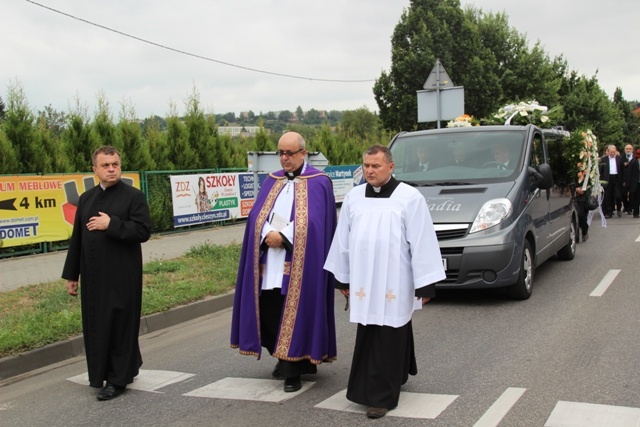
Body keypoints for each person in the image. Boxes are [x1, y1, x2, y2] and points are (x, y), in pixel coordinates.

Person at [323, 144, 446, 419]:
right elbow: (343, 240)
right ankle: (389, 376)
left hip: (396, 278)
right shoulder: (354, 197)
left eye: (376, 166)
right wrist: (342, 277)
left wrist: (425, 284)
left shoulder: (409, 198)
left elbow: (423, 241)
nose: (370, 171)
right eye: (366, 166)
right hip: (365, 279)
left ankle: (380, 397)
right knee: (370, 331)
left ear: (390, 167)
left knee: (391, 329)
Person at [230, 131, 337, 393]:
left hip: (302, 263)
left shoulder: (320, 182)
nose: (284, 158)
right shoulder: (271, 180)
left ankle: (293, 372)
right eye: (280, 153)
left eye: (289, 153)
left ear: (303, 153)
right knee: (270, 311)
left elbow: (317, 223)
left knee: (299, 312)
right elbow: (257, 215)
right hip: (270, 264)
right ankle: (282, 356)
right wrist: (266, 233)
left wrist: (286, 235)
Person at [62, 146, 152, 401]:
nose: (112, 169)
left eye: (115, 164)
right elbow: (77, 239)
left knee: (120, 325)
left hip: (123, 274)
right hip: (93, 278)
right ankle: (109, 371)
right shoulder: (87, 198)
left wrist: (111, 224)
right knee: (98, 326)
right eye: (106, 165)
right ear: (95, 170)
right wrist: (72, 276)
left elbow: (143, 231)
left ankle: (117, 379)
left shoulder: (134, 196)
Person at [599, 145, 625, 218]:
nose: (612, 153)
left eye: (614, 152)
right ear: (608, 152)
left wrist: (623, 180)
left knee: (618, 196)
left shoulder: (620, 159)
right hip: (608, 179)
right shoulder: (604, 159)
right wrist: (601, 180)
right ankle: (609, 212)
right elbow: (601, 171)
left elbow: (623, 170)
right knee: (607, 196)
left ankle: (619, 208)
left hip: (617, 178)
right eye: (611, 152)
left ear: (616, 151)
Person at [626, 148, 640, 218]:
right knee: (636, 198)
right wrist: (628, 184)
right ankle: (636, 212)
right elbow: (629, 173)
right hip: (636, 183)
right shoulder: (633, 162)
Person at [622, 144, 635, 214]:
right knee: (624, 194)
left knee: (632, 194)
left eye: (630, 149)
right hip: (625, 180)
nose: (628, 150)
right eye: (627, 149)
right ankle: (626, 206)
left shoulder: (635, 158)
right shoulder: (622, 158)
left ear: (632, 150)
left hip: (632, 179)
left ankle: (630, 208)